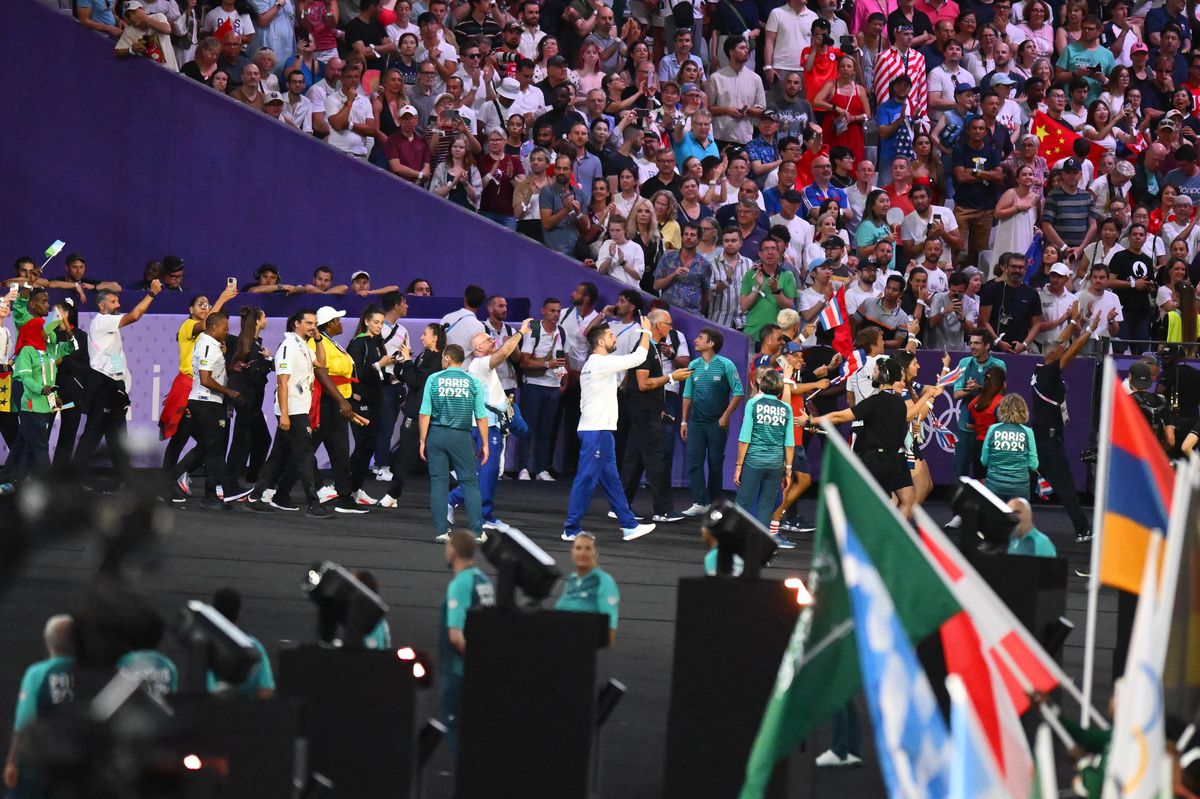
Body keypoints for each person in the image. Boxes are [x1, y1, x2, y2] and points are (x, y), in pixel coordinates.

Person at [562, 318, 658, 542]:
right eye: (611, 336)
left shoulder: (594, 365)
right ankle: (570, 528)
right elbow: (639, 358)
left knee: (613, 481)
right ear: (600, 342)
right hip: (596, 431)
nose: (615, 338)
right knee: (585, 479)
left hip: (599, 431)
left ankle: (629, 525)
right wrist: (646, 331)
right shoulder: (599, 363)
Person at [815, 356, 941, 518]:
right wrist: (928, 397)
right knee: (899, 499)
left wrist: (811, 421)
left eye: (875, 370)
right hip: (887, 457)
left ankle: (883, 535)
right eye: (915, 363)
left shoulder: (883, 399)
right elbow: (909, 416)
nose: (872, 373)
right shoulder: (891, 399)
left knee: (900, 498)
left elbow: (841, 416)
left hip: (886, 457)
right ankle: (885, 535)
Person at [447, 322, 532, 533]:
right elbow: (504, 352)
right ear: (478, 349)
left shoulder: (482, 366)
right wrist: (520, 333)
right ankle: (480, 513)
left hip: (491, 424)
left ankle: (455, 502)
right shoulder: (480, 364)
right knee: (488, 472)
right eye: (487, 340)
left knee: (486, 472)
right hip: (486, 426)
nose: (492, 340)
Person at [246, 310, 331, 518]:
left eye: (315, 323)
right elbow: (282, 383)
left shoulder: (303, 345)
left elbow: (322, 363)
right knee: (304, 454)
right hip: (292, 410)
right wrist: (284, 414)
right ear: (296, 324)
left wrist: (319, 339)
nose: (313, 326)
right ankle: (313, 502)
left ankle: (255, 496)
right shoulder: (288, 347)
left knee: (278, 455)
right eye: (309, 323)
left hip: (299, 407)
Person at [74, 283, 162, 476]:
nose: (117, 304)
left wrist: (121, 382)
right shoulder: (102, 321)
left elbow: (114, 357)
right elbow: (134, 316)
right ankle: (73, 477)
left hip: (113, 386)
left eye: (118, 301)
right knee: (93, 434)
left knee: (117, 437)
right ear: (101, 305)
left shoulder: (110, 329)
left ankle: (124, 479)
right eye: (113, 301)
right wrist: (152, 293)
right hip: (102, 384)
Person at [170, 312, 253, 510]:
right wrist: (230, 393)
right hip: (206, 403)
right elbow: (205, 379)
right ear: (214, 327)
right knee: (213, 450)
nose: (227, 332)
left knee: (208, 449)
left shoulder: (212, 345)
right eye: (225, 328)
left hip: (206, 402)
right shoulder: (207, 346)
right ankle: (228, 489)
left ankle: (204, 492)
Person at [619, 309, 691, 523]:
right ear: (658, 326)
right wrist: (671, 377)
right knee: (658, 457)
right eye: (668, 324)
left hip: (645, 410)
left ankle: (620, 505)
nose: (671, 328)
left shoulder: (652, 348)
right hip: (644, 413)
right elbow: (642, 384)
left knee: (635, 459)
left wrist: (657, 405)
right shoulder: (647, 349)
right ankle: (664, 510)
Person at [420, 344, 490, 541]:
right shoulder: (472, 382)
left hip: (436, 434)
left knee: (439, 483)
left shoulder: (433, 379)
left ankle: (441, 532)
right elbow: (481, 416)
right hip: (461, 436)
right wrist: (485, 443)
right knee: (469, 482)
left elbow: (425, 413)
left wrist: (422, 440)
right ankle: (477, 532)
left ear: (448, 358)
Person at [439, 530, 495, 761]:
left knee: (456, 734)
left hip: (460, 671)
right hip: (484, 671)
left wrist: (473, 664)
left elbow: (455, 636)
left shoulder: (461, 584)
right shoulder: (485, 581)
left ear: (453, 550)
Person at [3, 615, 74, 797]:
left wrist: (12, 761)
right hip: (76, 763)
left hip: (39, 763)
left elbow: (24, 722)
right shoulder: (90, 674)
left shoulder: (37, 673)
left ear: (47, 639)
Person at [680, 328, 745, 516]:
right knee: (694, 461)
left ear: (711, 343)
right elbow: (687, 395)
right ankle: (700, 502)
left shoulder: (726, 365)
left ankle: (714, 504)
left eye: (700, 338)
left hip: (717, 423)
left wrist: (725, 416)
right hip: (696, 423)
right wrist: (684, 421)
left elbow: (739, 392)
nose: (695, 340)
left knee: (715, 463)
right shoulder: (693, 365)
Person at [380, 323, 446, 507]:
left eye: (425, 334)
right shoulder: (425, 355)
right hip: (417, 410)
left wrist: (408, 361)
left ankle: (393, 495)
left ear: (435, 337)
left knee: (407, 455)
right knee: (425, 455)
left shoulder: (438, 359)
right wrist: (402, 365)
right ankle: (456, 490)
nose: (421, 337)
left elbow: (417, 382)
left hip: (420, 413)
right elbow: (410, 377)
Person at [734, 368, 795, 540]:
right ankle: (759, 548)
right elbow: (789, 442)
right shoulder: (786, 409)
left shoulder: (753, 404)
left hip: (753, 461)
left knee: (743, 503)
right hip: (775, 464)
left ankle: (736, 543)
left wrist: (739, 466)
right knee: (766, 506)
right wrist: (788, 470)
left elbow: (745, 438)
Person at [347, 306, 397, 505]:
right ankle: (348, 488)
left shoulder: (377, 343)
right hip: (361, 402)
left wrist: (389, 375)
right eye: (375, 322)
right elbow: (356, 372)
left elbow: (376, 373)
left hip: (376, 401)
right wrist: (380, 365)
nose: (379, 326)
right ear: (366, 321)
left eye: (382, 323)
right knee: (363, 446)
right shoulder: (358, 343)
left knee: (368, 447)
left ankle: (355, 488)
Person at [208, 588, 275, 697]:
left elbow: (208, 690)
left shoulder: (204, 647)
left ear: (213, 612)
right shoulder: (255, 646)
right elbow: (267, 689)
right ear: (239, 613)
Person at [555, 534, 621, 644]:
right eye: (578, 548)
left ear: (595, 553)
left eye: (588, 548)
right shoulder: (571, 579)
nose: (582, 553)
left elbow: (610, 621)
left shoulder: (603, 580)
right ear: (572, 552)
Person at [978, 251, 1043, 352]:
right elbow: (983, 320)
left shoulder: (1032, 293)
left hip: (1020, 350)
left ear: (1025, 270)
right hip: (993, 349)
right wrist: (998, 342)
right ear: (1006, 268)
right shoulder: (992, 290)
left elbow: (1036, 324)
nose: (1017, 270)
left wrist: (1024, 344)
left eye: (1021, 267)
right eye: (1013, 266)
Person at [980, 393, 1039, 501]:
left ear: (1001, 410)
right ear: (1023, 411)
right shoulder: (1028, 432)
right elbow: (1033, 465)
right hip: (1019, 488)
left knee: (994, 518)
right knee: (1017, 518)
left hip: (994, 486)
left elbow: (984, 460)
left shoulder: (993, 429)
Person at [441, 285, 487, 353]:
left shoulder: (447, 317)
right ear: (480, 304)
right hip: (465, 363)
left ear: (465, 299)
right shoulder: (479, 326)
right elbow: (478, 353)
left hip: (444, 361)